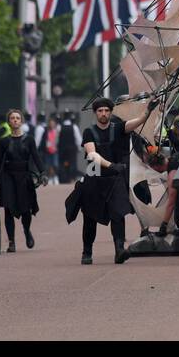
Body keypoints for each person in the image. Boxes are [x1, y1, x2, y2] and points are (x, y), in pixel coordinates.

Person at [79, 97, 134, 265]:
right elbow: (92, 155)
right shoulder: (89, 132)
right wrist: (112, 165)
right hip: (94, 176)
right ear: (96, 113)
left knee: (118, 214)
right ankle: (87, 251)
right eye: (100, 111)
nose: (103, 113)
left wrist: (148, 111)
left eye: (107, 110)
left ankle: (119, 250)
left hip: (114, 179)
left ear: (111, 112)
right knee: (90, 217)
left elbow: (137, 122)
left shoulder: (118, 128)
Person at [0, 109, 43, 252]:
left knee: (26, 209)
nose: (15, 120)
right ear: (9, 121)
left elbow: (36, 156)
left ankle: (27, 230)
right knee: (8, 209)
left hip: (24, 176)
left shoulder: (29, 139)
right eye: (12, 118)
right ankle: (11, 242)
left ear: (21, 121)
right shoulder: (4, 141)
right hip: (8, 177)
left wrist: (42, 173)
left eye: (18, 118)